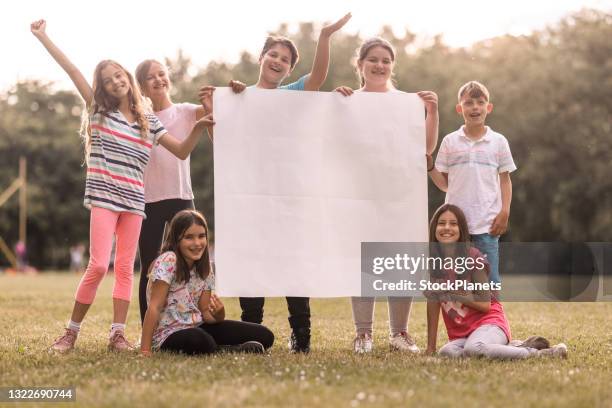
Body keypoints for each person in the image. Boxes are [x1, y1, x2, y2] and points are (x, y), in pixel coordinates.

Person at [31, 19, 214, 353]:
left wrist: (199, 127)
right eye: (107, 80)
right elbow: (72, 71)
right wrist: (44, 37)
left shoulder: (148, 119)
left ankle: (117, 334)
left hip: (134, 203)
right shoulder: (100, 111)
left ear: (127, 78)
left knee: (127, 270)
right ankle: (70, 332)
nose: (115, 82)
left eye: (118, 75)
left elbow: (182, 150)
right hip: (105, 198)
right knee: (99, 264)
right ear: (103, 88)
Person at [206, 12, 352, 353]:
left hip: (290, 195)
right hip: (252, 196)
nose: (277, 61)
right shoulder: (238, 98)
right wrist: (217, 109)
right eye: (273, 54)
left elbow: (317, 76)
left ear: (288, 70)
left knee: (293, 260)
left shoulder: (293, 94)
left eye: (285, 59)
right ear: (261, 59)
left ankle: (301, 336)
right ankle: (251, 333)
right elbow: (225, 148)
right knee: (252, 259)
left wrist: (326, 37)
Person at [335, 37, 439, 354]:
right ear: (360, 65)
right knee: (364, 263)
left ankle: (399, 334)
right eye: (373, 60)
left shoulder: (407, 103)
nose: (380, 65)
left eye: (386, 60)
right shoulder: (349, 101)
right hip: (361, 195)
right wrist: (336, 105)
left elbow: (426, 148)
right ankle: (363, 334)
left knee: (398, 260)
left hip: (399, 195)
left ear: (392, 66)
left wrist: (432, 112)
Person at [425, 203, 567, 359]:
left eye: (453, 224)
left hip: (490, 324)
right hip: (463, 335)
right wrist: (430, 348)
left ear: (461, 230)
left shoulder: (473, 258)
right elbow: (433, 302)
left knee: (474, 349)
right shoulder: (433, 264)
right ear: (434, 229)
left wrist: (451, 292)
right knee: (446, 352)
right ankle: (514, 347)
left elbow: (485, 305)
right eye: (441, 223)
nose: (447, 228)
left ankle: (542, 354)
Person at [134, 59, 212, 323]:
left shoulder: (186, 111)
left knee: (193, 263)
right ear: (142, 87)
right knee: (149, 267)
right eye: (149, 77)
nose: (158, 80)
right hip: (149, 199)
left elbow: (218, 112)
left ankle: (195, 319)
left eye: (161, 74)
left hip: (181, 195)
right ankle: (151, 326)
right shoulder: (138, 119)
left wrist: (219, 97)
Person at [141, 210, 274, 356]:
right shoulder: (168, 261)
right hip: (168, 335)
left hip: (198, 326)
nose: (197, 243)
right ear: (176, 240)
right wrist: (145, 350)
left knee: (265, 335)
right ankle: (228, 350)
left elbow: (205, 314)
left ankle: (221, 347)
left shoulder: (206, 268)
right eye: (189, 237)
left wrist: (219, 314)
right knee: (199, 339)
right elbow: (154, 307)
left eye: (201, 236)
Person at [427, 81, 516, 284]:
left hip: (487, 226)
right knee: (458, 282)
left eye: (480, 102)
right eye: (468, 103)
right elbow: (445, 185)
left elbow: (505, 180)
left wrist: (505, 212)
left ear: (488, 107)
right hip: (456, 228)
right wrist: (430, 167)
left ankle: (492, 317)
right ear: (460, 109)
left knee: (488, 281)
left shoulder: (498, 141)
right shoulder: (450, 141)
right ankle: (461, 318)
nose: (475, 107)